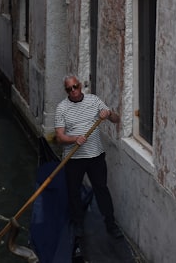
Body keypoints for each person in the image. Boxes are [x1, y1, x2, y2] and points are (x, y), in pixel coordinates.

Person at [52, 74, 123, 241]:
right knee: (74, 192)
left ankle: (110, 224)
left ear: (80, 85)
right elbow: (60, 137)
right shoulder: (62, 108)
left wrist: (109, 113)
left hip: (95, 156)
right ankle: (78, 224)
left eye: (75, 87)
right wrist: (74, 139)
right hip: (73, 158)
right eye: (69, 89)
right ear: (66, 91)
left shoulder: (94, 101)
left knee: (101, 189)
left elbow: (116, 119)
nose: (73, 91)